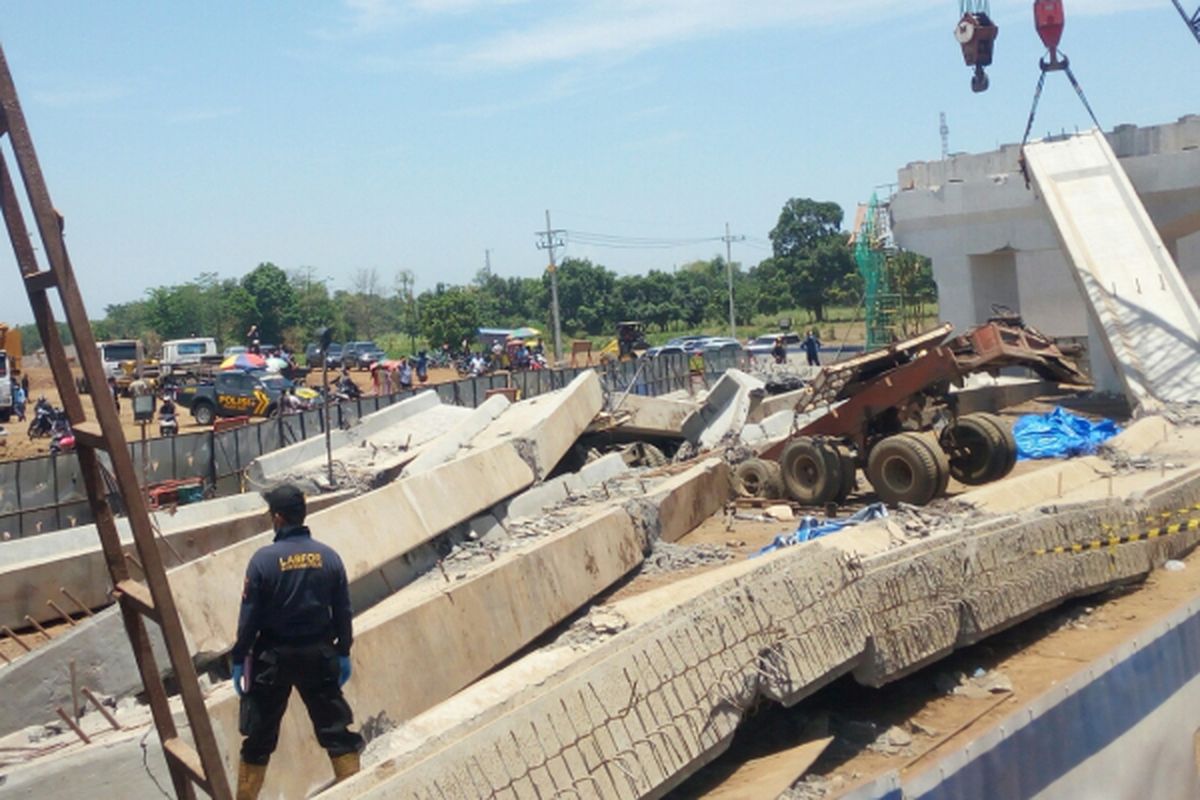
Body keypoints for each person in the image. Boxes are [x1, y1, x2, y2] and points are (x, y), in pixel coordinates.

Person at [230, 484, 363, 799]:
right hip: (319, 656)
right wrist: (343, 651)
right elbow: (343, 611)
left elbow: (249, 618)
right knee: (335, 732)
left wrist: (239, 658)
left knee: (259, 737)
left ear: (277, 518)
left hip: (273, 660)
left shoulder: (263, 561)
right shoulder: (329, 557)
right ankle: (358, 791)